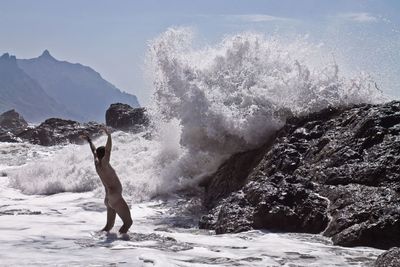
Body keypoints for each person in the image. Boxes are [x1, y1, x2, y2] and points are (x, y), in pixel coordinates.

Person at [81, 127, 133, 234]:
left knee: (109, 226)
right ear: (104, 155)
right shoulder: (105, 164)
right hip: (115, 196)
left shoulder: (97, 164)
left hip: (108, 198)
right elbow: (108, 150)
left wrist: (90, 141)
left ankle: (98, 238)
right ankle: (123, 243)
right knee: (128, 223)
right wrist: (109, 135)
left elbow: (94, 151)